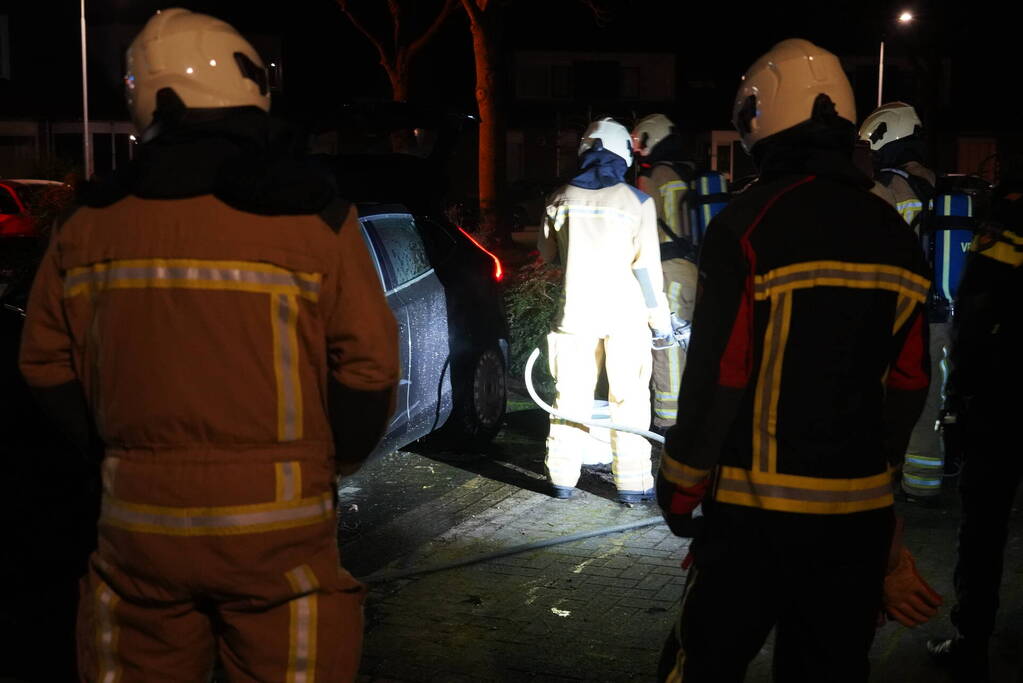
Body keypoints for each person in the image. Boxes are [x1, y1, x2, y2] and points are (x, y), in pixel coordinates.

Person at [18, 9, 399, 681]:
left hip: (138, 531)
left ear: (149, 103)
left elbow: (44, 363)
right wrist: (328, 461)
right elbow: (368, 368)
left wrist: (110, 454)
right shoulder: (315, 220)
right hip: (281, 534)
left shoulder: (86, 227)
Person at [655, 39, 942, 682]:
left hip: (756, 523)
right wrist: (879, 474)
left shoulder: (749, 224)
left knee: (703, 664)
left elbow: (720, 375)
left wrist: (680, 489)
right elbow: (911, 379)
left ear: (762, 119)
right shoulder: (895, 237)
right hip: (856, 526)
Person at [538, 117, 673, 504]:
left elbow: (548, 256)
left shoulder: (558, 198)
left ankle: (561, 477)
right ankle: (632, 485)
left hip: (575, 315)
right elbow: (647, 271)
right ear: (623, 155)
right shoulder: (637, 202)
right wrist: (660, 321)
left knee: (570, 395)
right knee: (629, 399)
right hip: (626, 317)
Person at [926, 175, 1023, 682]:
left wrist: (957, 394)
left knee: (984, 528)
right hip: (1001, 397)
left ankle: (972, 641)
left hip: (1002, 401)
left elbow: (977, 311)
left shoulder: (1008, 221)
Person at [859, 102, 946, 503]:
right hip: (937, 307)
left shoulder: (882, 188)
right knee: (929, 396)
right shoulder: (933, 185)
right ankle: (923, 482)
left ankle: (877, 476)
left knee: (883, 391)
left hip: (892, 308)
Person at [631, 114, 698, 432]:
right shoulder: (688, 171)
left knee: (666, 340)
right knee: (692, 341)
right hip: (695, 268)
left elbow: (640, 224)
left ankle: (668, 417)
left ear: (649, 138)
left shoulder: (653, 175)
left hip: (667, 269)